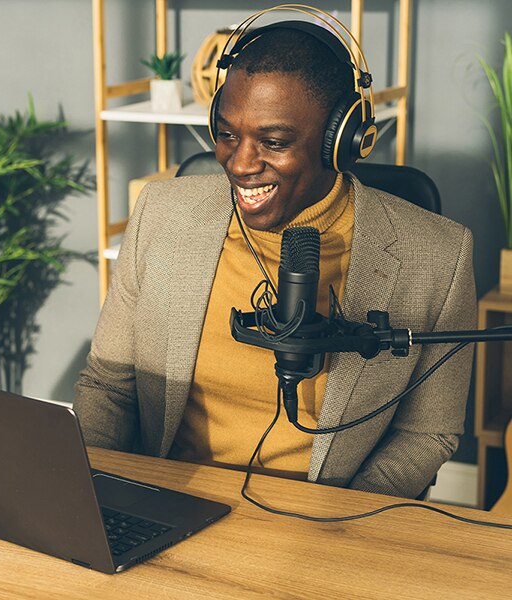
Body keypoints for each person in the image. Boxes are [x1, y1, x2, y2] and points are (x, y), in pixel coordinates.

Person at [74, 24, 477, 500]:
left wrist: (336, 518)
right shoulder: (160, 214)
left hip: (323, 520)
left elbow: (428, 433)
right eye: (226, 134)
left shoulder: (438, 256)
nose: (241, 163)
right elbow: (109, 386)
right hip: (167, 499)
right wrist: (86, 498)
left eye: (274, 141)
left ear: (341, 139)